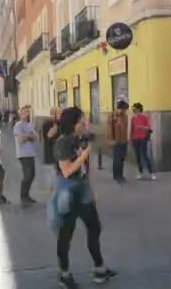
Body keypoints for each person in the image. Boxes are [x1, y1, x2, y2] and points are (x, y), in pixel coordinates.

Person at [53, 106, 116, 288]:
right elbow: (66, 171)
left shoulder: (80, 139)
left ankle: (100, 269)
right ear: (74, 123)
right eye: (82, 120)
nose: (85, 123)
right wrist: (86, 154)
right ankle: (64, 275)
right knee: (66, 234)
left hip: (82, 189)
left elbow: (83, 169)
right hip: (67, 192)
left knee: (94, 227)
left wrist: (91, 189)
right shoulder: (62, 143)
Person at [14, 106, 38, 206]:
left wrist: (27, 136)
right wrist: (29, 136)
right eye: (24, 112)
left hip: (30, 153)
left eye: (27, 112)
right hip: (23, 154)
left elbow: (36, 138)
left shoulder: (29, 125)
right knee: (28, 176)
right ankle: (23, 197)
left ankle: (26, 196)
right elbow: (20, 140)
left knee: (31, 175)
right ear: (20, 114)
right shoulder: (18, 125)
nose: (26, 114)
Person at [130, 103, 155, 180]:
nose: (133, 111)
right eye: (133, 109)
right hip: (135, 139)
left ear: (138, 109)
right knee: (137, 156)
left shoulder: (144, 117)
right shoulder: (132, 119)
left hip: (142, 138)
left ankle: (151, 173)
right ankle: (140, 172)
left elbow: (149, 128)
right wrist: (130, 139)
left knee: (144, 155)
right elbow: (131, 130)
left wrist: (143, 127)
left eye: (134, 109)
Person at [106, 98, 129, 184]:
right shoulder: (112, 116)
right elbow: (109, 130)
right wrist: (111, 140)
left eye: (125, 110)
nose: (124, 111)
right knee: (117, 159)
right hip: (116, 141)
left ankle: (121, 175)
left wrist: (126, 139)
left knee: (122, 159)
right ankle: (116, 176)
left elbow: (125, 128)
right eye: (123, 109)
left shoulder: (125, 116)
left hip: (124, 141)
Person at [42, 107, 62, 193]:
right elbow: (49, 135)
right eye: (56, 114)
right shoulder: (46, 124)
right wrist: (55, 125)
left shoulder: (60, 124)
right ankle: (52, 196)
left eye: (59, 114)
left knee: (60, 175)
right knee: (52, 177)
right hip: (50, 154)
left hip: (60, 154)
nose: (58, 116)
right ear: (51, 114)